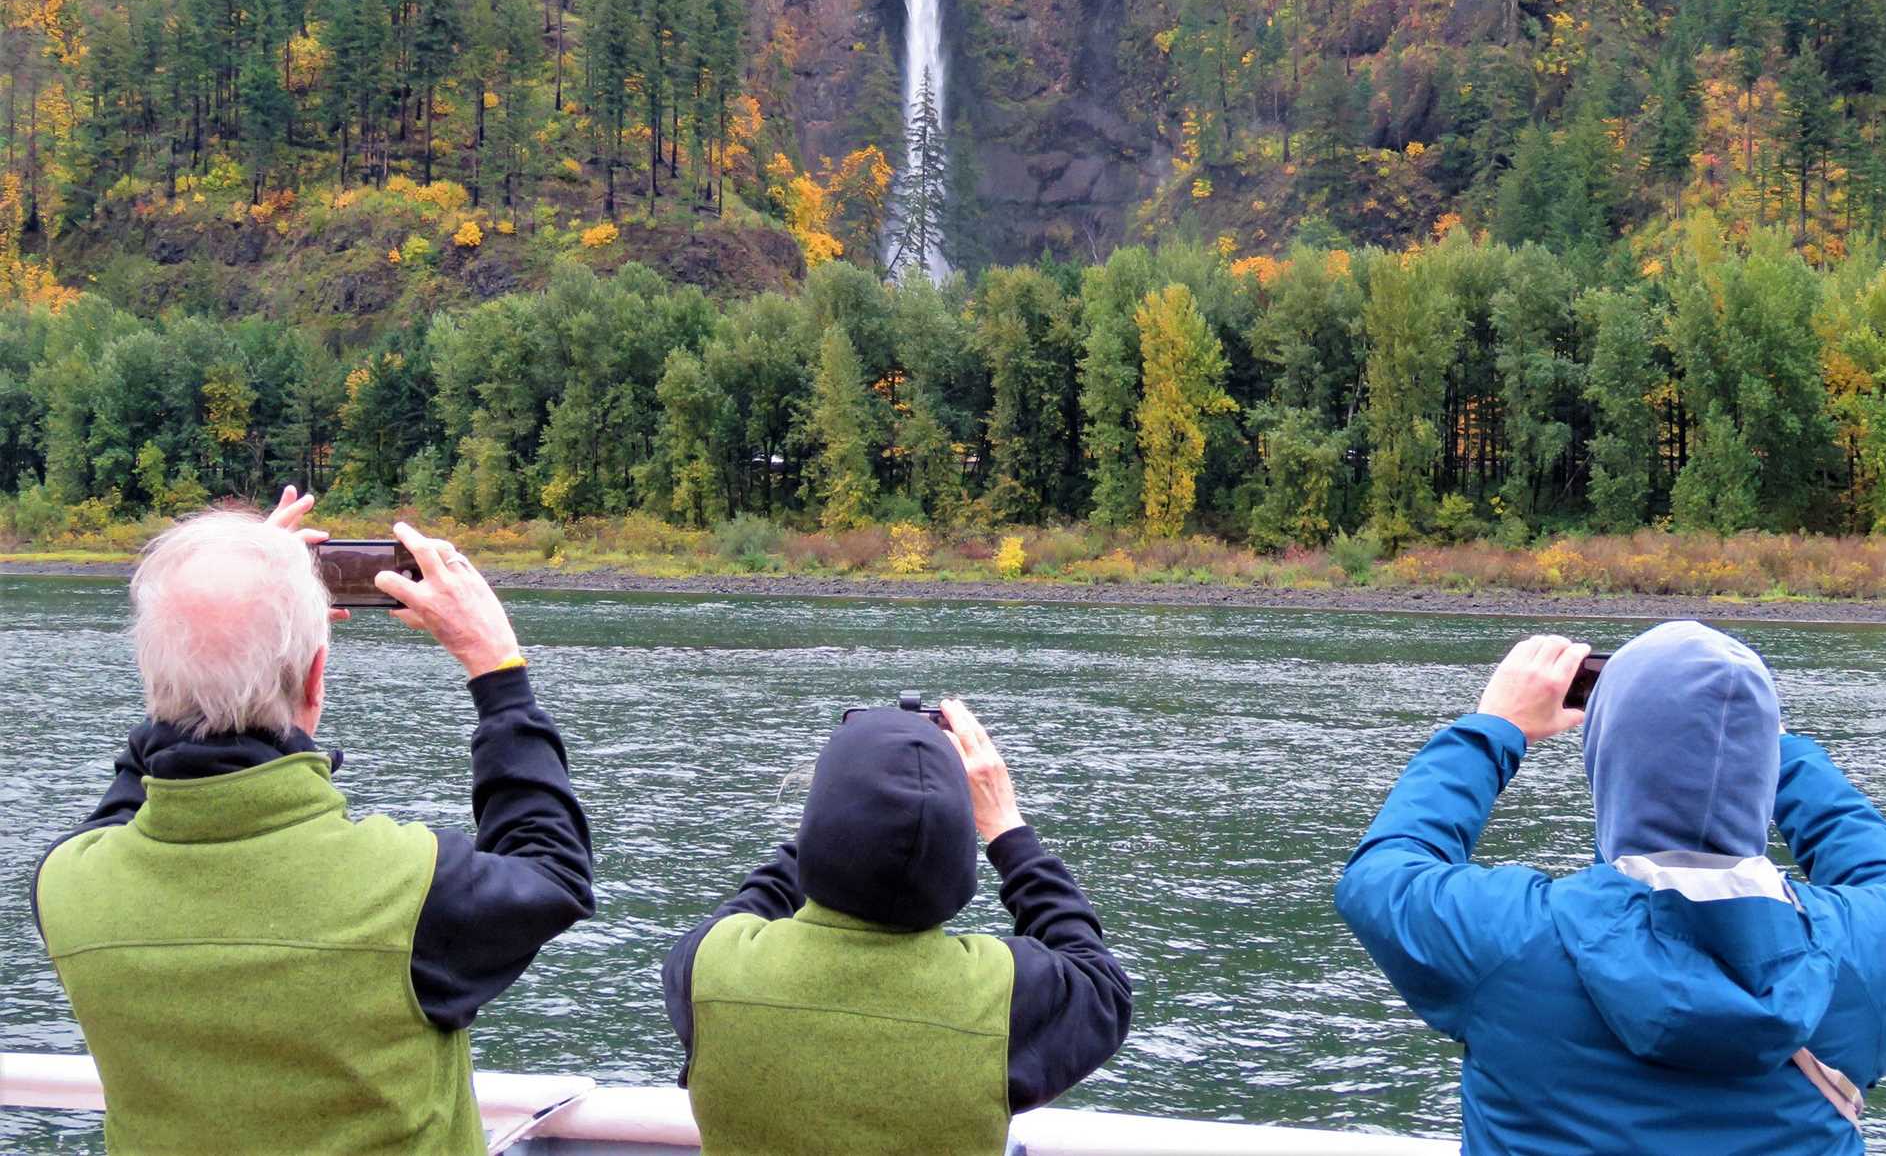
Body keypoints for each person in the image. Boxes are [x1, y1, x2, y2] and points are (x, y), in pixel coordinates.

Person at [32, 491, 594, 1155]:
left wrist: (214, 617)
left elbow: (128, 797)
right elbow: (554, 871)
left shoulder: (68, 889)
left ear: (153, 675)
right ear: (316, 678)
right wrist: (496, 669)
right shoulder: (406, 892)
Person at [1337, 621, 1886, 1155]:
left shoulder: (1511, 942)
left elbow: (1384, 872)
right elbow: (1884, 873)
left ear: (1605, 759)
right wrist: (1766, 745)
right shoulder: (1870, 953)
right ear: (1764, 769)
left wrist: (1494, 728)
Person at [663, 696, 1131, 1156]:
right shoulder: (1008, 995)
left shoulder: (708, 966)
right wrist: (1006, 826)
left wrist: (838, 801)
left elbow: (760, 897)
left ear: (817, 829)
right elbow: (1098, 978)